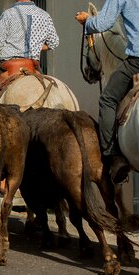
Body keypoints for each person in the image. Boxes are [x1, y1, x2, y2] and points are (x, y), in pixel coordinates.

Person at [75, 0, 136, 184]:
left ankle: (112, 157)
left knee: (108, 99)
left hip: (136, 61)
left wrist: (87, 21)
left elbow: (102, 23)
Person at [0, 0, 59, 100]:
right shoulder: (45, 15)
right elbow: (54, 43)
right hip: (32, 65)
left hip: (8, 64)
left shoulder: (8, 14)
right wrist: (37, 46)